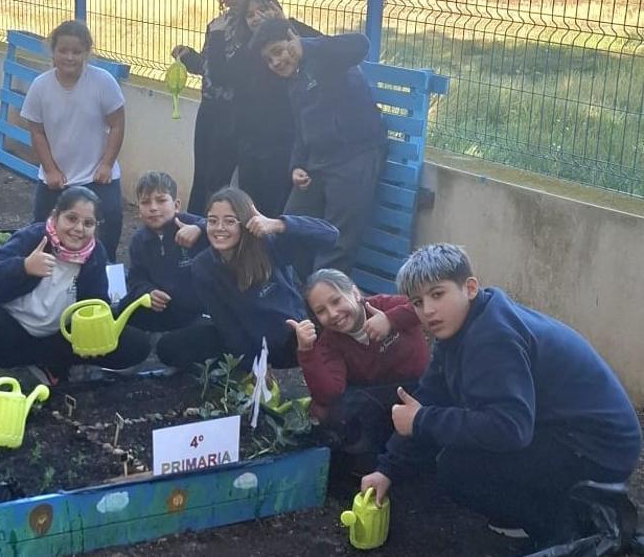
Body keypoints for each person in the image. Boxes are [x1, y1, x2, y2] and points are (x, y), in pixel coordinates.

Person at [360, 244, 641, 548]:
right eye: (417, 302)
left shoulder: (492, 337)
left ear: (469, 288)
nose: (427, 310)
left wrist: (421, 420)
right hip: (568, 430)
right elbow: (429, 397)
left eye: (437, 294)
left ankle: (564, 525)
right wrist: (386, 470)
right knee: (449, 438)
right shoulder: (460, 328)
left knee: (458, 469)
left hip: (599, 449)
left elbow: (510, 429)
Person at [0, 187, 150, 393]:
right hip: (10, 336)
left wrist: (99, 322)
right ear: (56, 217)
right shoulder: (34, 238)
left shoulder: (95, 253)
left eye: (88, 223)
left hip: (58, 339)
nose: (78, 228)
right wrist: (24, 267)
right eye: (71, 218)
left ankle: (55, 366)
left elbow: (96, 302)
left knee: (136, 344)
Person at [251, 20, 386, 275]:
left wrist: (306, 46)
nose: (276, 63)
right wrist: (297, 166)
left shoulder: (327, 58)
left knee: (337, 240)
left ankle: (324, 302)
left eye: (278, 51)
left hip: (355, 157)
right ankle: (295, 292)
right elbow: (301, 130)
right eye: (269, 60)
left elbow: (361, 44)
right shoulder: (295, 79)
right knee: (289, 225)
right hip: (318, 163)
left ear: (293, 37)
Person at [156, 187, 337, 370]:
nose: (219, 228)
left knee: (330, 328)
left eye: (230, 221)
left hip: (292, 337)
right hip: (251, 342)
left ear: (244, 223)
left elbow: (330, 235)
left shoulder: (267, 245)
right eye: (212, 221)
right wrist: (254, 368)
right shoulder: (203, 266)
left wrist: (278, 224)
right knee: (169, 347)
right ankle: (227, 373)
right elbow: (227, 325)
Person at [171, 0, 269, 214]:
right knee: (202, 177)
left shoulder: (253, 27)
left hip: (237, 116)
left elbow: (231, 74)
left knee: (220, 183)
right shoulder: (217, 23)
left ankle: (215, 234)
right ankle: (192, 235)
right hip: (210, 110)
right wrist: (189, 58)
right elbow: (211, 70)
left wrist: (214, 42)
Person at [294, 268, 428, 457]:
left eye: (336, 300)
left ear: (355, 293)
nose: (332, 314)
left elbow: (423, 308)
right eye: (321, 311)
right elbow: (329, 393)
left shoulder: (385, 306)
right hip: (375, 404)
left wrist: (390, 320)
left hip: (420, 389)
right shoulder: (329, 342)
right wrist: (306, 351)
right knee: (324, 410)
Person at [21, 20, 126, 258]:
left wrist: (107, 164)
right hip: (56, 179)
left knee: (107, 238)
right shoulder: (40, 86)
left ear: (87, 52)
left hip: (97, 177)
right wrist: (50, 170)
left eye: (76, 52)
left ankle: (110, 288)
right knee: (42, 239)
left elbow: (117, 124)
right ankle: (47, 287)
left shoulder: (103, 82)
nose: (69, 57)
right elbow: (36, 131)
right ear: (53, 51)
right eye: (63, 51)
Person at [228, 0, 322, 217]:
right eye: (249, 14)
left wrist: (284, 23)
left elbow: (319, 44)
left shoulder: (289, 42)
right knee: (250, 208)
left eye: (262, 10)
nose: (256, 18)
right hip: (250, 145)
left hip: (283, 144)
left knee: (277, 209)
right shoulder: (244, 52)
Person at [122, 171, 216, 341]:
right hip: (163, 306)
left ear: (176, 205)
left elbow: (221, 226)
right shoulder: (138, 241)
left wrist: (199, 229)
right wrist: (148, 291)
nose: (153, 207)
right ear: (139, 209)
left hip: (198, 309)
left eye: (161, 200)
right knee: (122, 308)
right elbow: (136, 277)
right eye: (145, 202)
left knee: (185, 344)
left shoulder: (191, 224)